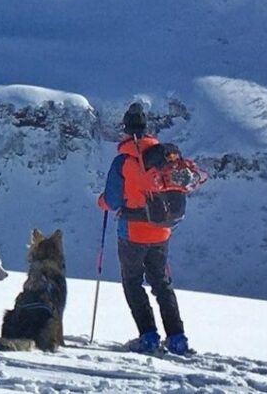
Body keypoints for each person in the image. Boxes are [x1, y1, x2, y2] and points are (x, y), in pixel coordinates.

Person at [98, 102, 189, 354]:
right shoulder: (164, 157)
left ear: (125, 129)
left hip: (132, 232)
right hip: (161, 230)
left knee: (132, 282)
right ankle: (177, 338)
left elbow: (113, 200)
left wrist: (101, 201)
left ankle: (148, 336)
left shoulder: (124, 161)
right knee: (162, 283)